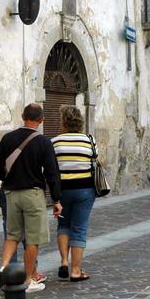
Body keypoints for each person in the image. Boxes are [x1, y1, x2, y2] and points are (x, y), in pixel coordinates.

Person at [0, 103, 62, 293]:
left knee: (12, 235)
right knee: (32, 239)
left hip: (11, 193)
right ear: (41, 120)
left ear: (23, 116)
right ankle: (29, 279)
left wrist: (6, 179)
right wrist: (56, 200)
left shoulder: (8, 138)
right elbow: (51, 173)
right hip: (33, 194)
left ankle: (4, 268)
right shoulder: (43, 142)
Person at [51, 106, 96, 282]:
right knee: (79, 228)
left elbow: (50, 166)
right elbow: (95, 160)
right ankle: (76, 270)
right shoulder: (88, 140)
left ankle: (63, 262)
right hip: (85, 190)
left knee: (63, 225)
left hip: (62, 190)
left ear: (63, 121)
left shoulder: (54, 142)